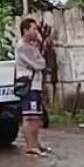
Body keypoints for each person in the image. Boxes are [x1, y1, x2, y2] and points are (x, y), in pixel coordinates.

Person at [15, 17, 50, 156]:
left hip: (35, 83)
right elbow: (40, 64)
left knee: (36, 116)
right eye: (33, 29)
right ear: (25, 30)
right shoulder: (23, 47)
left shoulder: (31, 46)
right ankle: (31, 145)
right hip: (29, 84)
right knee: (29, 116)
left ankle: (36, 144)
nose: (36, 32)